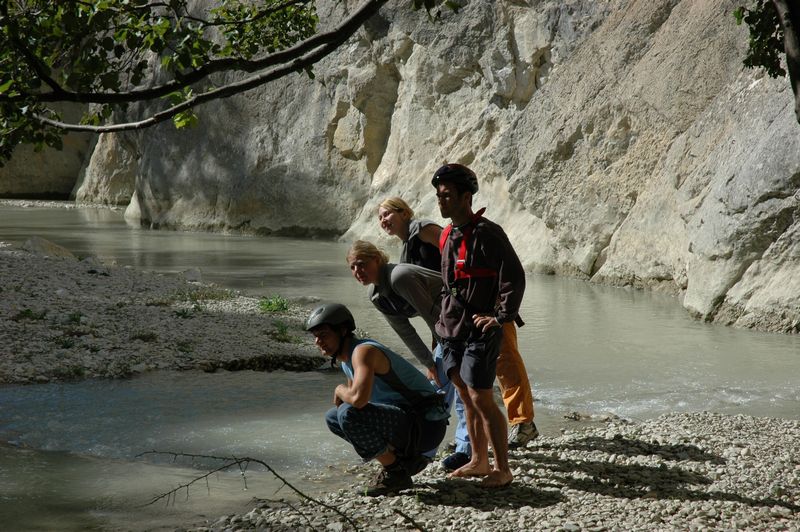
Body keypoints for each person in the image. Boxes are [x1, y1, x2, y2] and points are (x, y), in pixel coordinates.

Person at [377, 196, 538, 471]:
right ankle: (470, 443)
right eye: (379, 218)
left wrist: (499, 308)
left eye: (387, 214)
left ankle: (522, 423)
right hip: (454, 316)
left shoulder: (423, 229)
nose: (383, 221)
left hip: (484, 306)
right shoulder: (407, 248)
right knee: (465, 380)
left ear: (404, 212)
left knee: (504, 362)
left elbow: (457, 258)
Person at [432, 163, 526, 487]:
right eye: (438, 195)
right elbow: (447, 285)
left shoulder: (488, 233)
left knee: (481, 396)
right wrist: (440, 323)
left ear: (466, 196)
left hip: (480, 330)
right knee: (464, 393)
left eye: (446, 196)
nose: (440, 201)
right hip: (451, 330)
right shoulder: (447, 234)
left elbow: (514, 277)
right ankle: (478, 460)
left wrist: (501, 317)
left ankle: (503, 468)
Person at [307, 303, 448, 496]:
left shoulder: (363, 352)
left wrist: (340, 389)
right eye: (315, 337)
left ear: (343, 330)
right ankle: (397, 463)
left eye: (323, 335)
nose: (317, 342)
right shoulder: (347, 361)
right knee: (333, 417)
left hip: (425, 425)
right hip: (407, 424)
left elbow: (357, 400)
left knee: (347, 413)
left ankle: (396, 471)